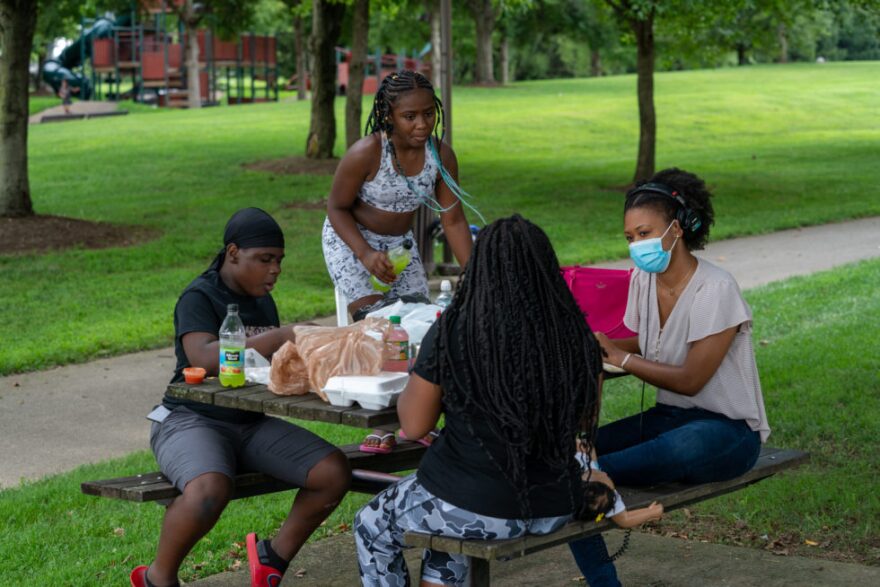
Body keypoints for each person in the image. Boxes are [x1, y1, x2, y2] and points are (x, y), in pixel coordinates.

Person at [354, 215, 604, 586]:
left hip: (475, 504)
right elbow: (585, 419)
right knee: (445, 527)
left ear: (479, 268)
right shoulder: (572, 334)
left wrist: (418, 373)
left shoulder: (458, 329)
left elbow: (414, 425)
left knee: (371, 524)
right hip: (556, 504)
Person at [568, 169, 770, 586]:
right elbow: (649, 342)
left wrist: (621, 358)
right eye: (629, 237)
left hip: (727, 432)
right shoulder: (644, 279)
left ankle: (582, 475)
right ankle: (580, 484)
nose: (636, 245)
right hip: (669, 417)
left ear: (676, 229)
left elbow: (691, 379)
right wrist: (592, 346)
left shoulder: (716, 289)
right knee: (568, 455)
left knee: (657, 451)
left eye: (645, 232)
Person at [130, 208, 351, 587]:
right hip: (190, 419)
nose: (275, 269)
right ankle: (157, 578)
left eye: (279, 260)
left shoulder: (261, 299)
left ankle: (271, 559)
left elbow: (268, 363)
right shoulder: (199, 296)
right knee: (209, 490)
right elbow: (202, 356)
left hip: (250, 420)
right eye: (264, 259)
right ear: (233, 253)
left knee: (333, 473)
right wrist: (281, 335)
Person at [323, 69, 477, 454]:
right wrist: (364, 253)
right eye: (411, 116)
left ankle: (414, 419)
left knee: (419, 327)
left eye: (428, 113)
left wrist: (478, 275)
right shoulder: (367, 152)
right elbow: (337, 207)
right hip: (352, 242)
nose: (422, 124)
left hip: (399, 245)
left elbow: (453, 219)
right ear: (390, 115)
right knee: (376, 327)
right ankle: (378, 427)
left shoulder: (440, 156)